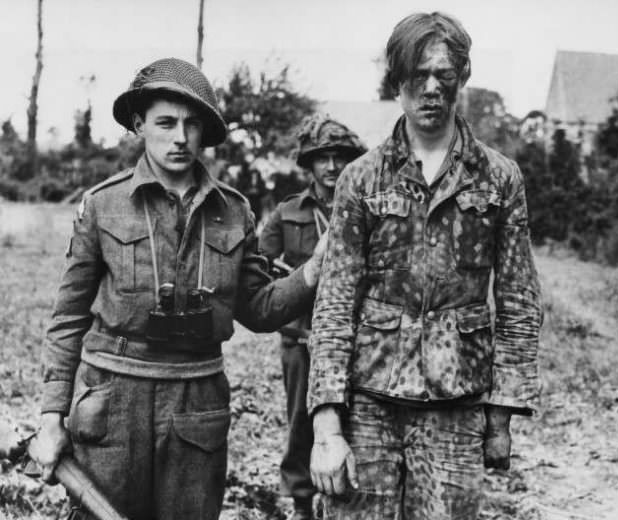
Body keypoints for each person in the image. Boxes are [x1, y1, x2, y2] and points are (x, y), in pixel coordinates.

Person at [30, 57, 326, 520]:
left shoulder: (234, 212)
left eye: (192, 125)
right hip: (113, 403)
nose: (180, 137)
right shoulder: (103, 206)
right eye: (165, 122)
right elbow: (68, 319)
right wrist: (51, 419)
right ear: (139, 124)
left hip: (196, 407)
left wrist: (313, 271)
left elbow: (259, 308)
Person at [307, 12, 542, 519]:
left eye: (445, 75)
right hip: (369, 406)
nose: (432, 88)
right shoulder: (361, 178)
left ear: (462, 78)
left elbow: (520, 300)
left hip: (457, 411)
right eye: (419, 75)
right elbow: (333, 303)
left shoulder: (500, 179)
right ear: (398, 81)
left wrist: (501, 414)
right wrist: (327, 426)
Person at [259, 115, 366, 520]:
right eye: (322, 158)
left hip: (354, 339)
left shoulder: (364, 208)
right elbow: (256, 268)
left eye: (340, 157)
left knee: (354, 421)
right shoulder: (288, 213)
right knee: (301, 423)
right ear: (309, 163)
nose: (332, 167)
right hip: (301, 338)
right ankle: (302, 502)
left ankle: (349, 499)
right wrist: (293, 280)